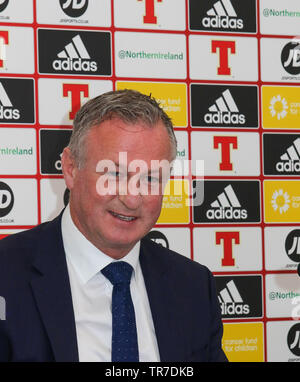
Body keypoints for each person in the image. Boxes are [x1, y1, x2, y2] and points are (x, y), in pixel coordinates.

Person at [0, 89, 227, 362]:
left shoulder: (192, 286)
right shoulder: (6, 273)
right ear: (71, 168)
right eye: (115, 174)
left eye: (151, 178)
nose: (132, 198)